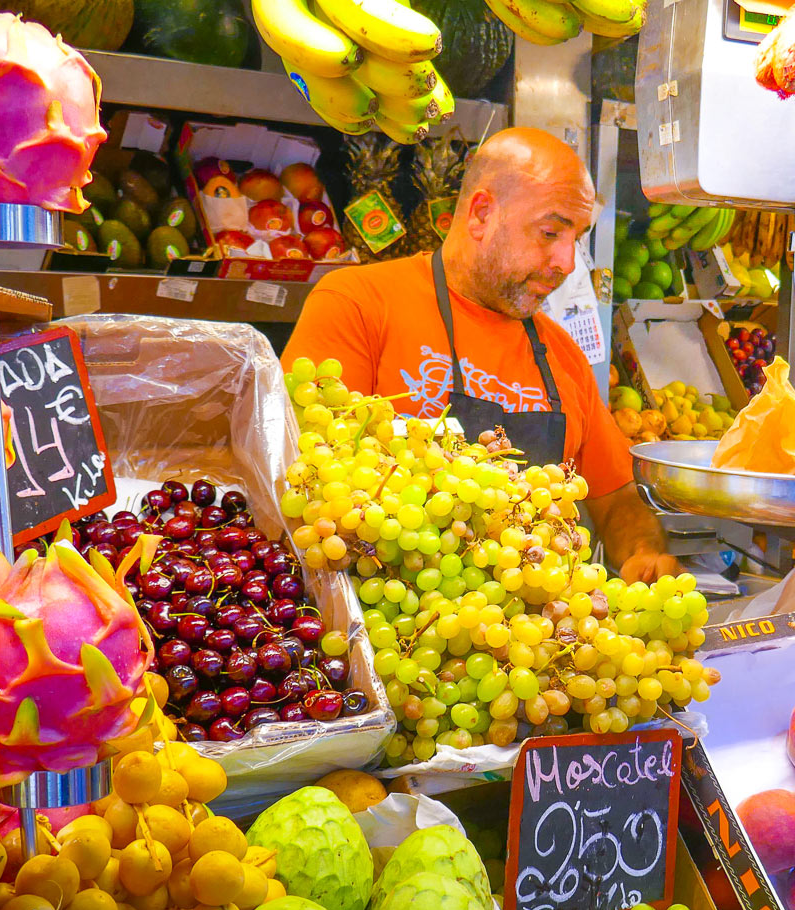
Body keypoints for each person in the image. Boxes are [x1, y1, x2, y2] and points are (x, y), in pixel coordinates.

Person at [281, 127, 680, 582]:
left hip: (527, 638)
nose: (567, 263)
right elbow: (310, 481)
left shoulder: (561, 355)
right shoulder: (358, 304)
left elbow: (618, 498)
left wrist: (644, 552)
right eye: (550, 232)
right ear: (481, 214)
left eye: (577, 238)